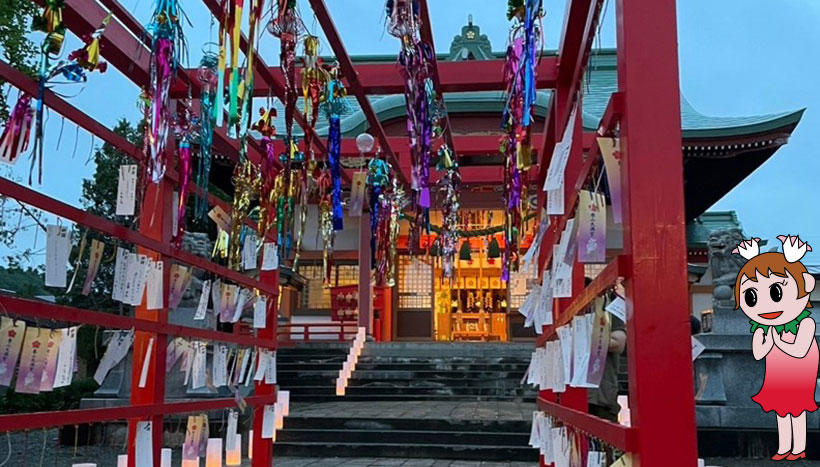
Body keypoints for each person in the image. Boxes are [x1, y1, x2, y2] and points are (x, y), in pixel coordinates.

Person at [733, 235, 818, 461]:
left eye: (775, 293)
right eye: (752, 296)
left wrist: (777, 341)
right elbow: (759, 353)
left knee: (797, 411)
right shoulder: (763, 328)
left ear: (806, 287)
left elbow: (800, 350)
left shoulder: (805, 322)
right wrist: (763, 338)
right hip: (777, 374)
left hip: (799, 374)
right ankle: (784, 447)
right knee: (781, 411)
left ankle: (798, 447)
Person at [587, 283, 627, 423]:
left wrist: (584, 336)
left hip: (601, 394)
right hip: (571, 394)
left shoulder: (609, 310)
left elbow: (618, 344)